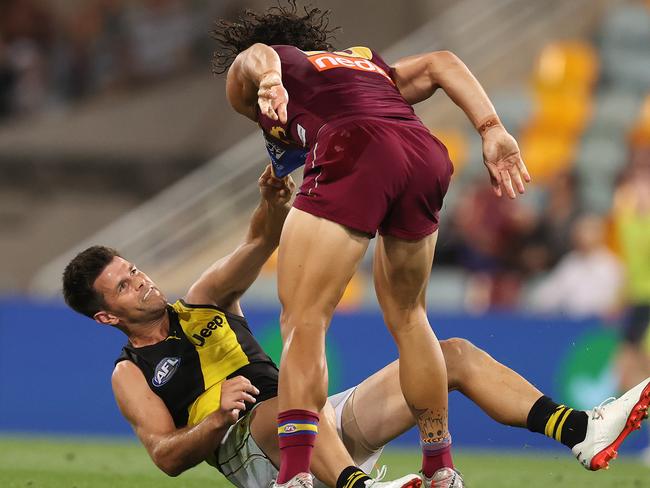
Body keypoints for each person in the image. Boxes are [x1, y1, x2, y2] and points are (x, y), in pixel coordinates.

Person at [62, 167, 650, 488]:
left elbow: (262, 239)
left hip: (316, 423)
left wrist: (273, 198)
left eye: (133, 269)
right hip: (260, 455)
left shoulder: (207, 299)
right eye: (123, 286)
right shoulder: (129, 373)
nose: (140, 282)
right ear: (106, 315)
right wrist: (218, 418)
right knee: (282, 406)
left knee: (455, 356)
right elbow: (165, 456)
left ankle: (578, 429)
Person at [213, 2, 530, 486]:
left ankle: (295, 475)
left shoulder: (266, 69)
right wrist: (491, 129)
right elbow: (443, 61)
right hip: (423, 152)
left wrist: (268, 80)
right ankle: (439, 468)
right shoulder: (364, 63)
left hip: (353, 148)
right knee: (409, 316)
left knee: (304, 320)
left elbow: (257, 56)